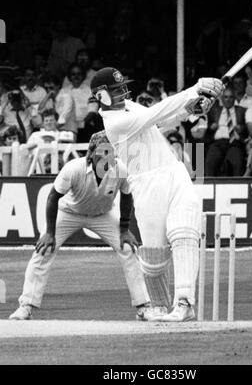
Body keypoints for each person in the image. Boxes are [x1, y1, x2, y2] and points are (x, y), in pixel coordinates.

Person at [90, 67, 223, 322]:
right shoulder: (114, 123)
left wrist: (191, 109)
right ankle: (159, 307)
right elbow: (155, 114)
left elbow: (163, 120)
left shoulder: (130, 106)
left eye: (122, 88)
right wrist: (194, 90)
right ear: (101, 96)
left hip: (174, 172)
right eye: (115, 90)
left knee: (184, 233)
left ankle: (185, 303)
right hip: (146, 186)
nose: (122, 93)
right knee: (154, 260)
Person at [9, 131, 150, 320]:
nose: (105, 159)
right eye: (101, 154)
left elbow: (126, 196)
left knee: (128, 248)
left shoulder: (120, 169)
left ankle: (143, 307)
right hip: (69, 213)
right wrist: (50, 232)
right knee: (44, 249)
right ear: (90, 154)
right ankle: (26, 306)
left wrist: (124, 230)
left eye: (109, 154)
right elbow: (53, 197)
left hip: (103, 215)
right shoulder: (73, 169)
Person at [205, 86, 247, 177]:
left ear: (234, 98)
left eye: (231, 97)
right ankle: (208, 188)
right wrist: (211, 127)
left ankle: (238, 188)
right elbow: (206, 125)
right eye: (225, 97)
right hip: (218, 143)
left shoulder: (242, 111)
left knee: (236, 161)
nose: (228, 100)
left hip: (234, 143)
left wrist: (241, 128)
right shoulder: (215, 110)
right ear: (222, 99)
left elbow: (247, 127)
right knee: (210, 160)